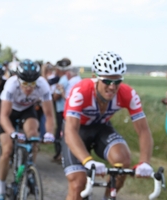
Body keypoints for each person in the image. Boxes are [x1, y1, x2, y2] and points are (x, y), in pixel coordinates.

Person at [61, 51, 154, 200]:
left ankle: (108, 197)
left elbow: (143, 130)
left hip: (101, 128)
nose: (112, 87)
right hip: (78, 131)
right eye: (107, 81)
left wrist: (145, 162)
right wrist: (88, 161)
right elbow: (71, 130)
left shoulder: (128, 94)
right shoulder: (81, 91)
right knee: (78, 183)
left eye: (117, 81)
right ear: (95, 77)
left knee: (122, 162)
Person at [0, 59, 56, 199]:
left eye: (32, 84)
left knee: (33, 135)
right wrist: (12, 133)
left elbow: (49, 115)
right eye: (25, 84)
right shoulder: (11, 84)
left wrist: (49, 133)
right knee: (7, 150)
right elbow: (3, 116)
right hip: (10, 113)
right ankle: (1, 189)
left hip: (27, 111)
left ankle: (30, 168)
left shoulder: (43, 85)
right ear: (18, 79)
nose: (29, 88)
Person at [52, 58, 71, 161]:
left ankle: (59, 153)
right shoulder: (72, 78)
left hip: (61, 109)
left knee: (60, 130)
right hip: (69, 110)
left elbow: (56, 96)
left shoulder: (63, 80)